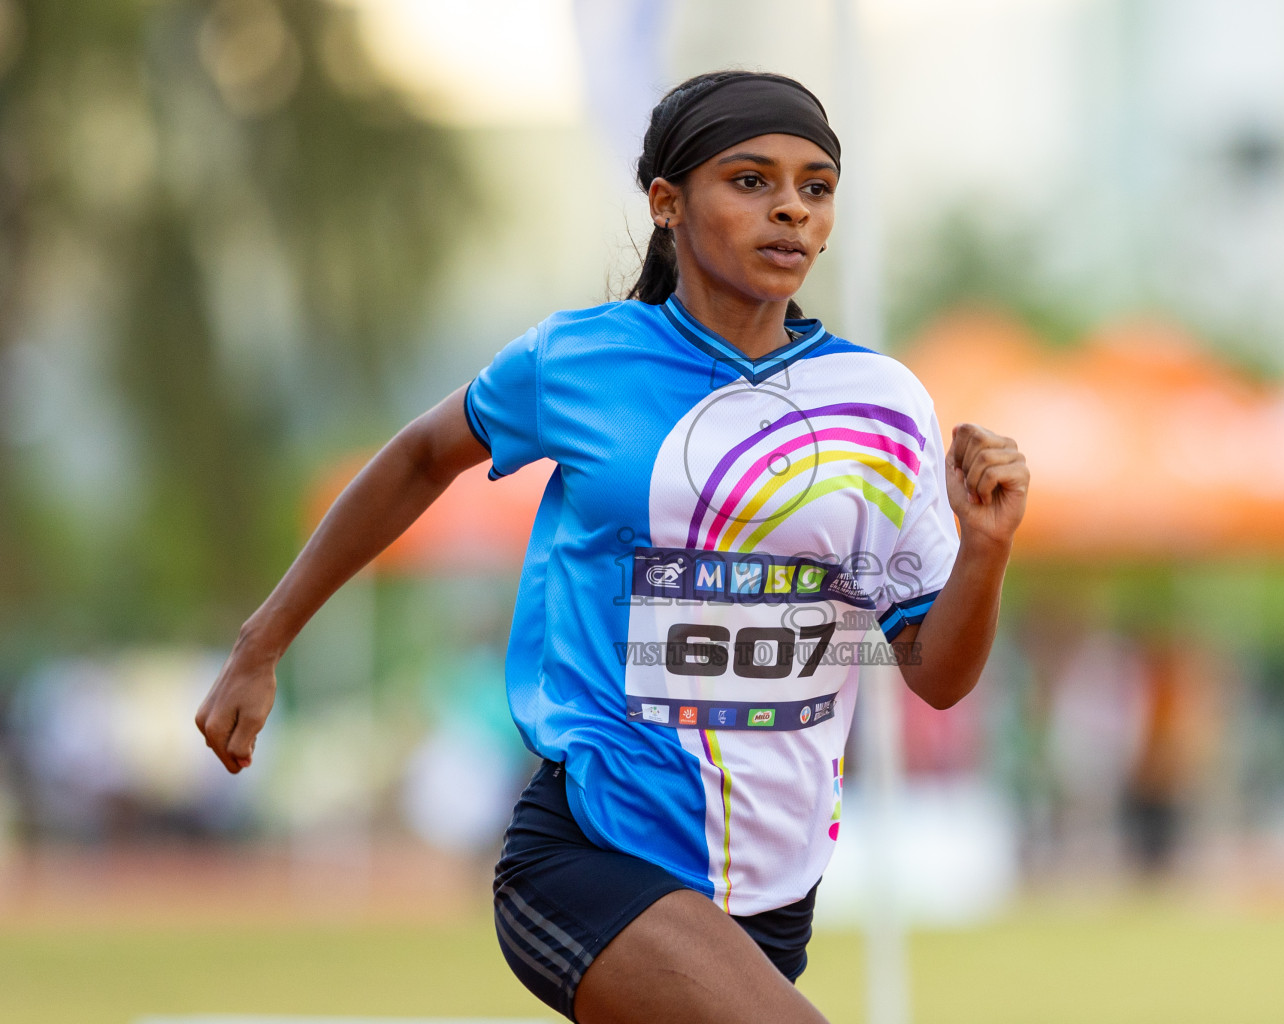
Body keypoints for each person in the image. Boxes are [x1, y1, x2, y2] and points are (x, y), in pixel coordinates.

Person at [195, 70, 1030, 1024]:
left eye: (816, 186)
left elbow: (936, 672)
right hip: (593, 854)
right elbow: (422, 456)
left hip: (772, 891)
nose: (790, 209)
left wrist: (986, 551)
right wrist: (260, 646)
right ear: (667, 204)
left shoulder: (882, 405)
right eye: (751, 181)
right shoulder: (577, 362)